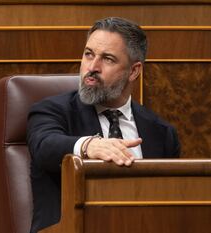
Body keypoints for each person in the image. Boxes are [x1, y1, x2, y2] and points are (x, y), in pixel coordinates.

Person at [27, 17, 180, 232]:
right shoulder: (51, 111)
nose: (92, 67)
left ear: (134, 71)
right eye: (89, 54)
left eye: (107, 59)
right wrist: (89, 146)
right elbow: (44, 146)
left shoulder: (161, 133)